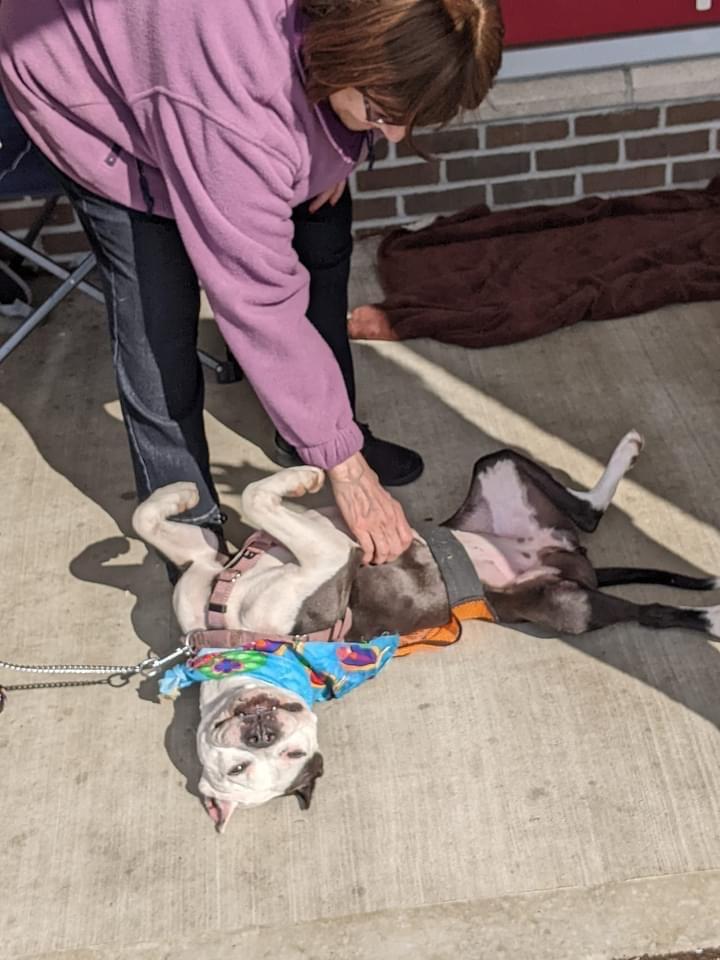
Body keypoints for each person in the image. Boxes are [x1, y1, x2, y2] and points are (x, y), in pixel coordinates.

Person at [0, 0, 504, 566]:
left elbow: (350, 109)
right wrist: (351, 473)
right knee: (158, 307)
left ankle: (314, 438)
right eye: (382, 110)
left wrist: (339, 152)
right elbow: (257, 298)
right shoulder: (230, 94)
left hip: (199, 69)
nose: (393, 134)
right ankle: (184, 516)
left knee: (324, 230)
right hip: (93, 85)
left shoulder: (346, 38)